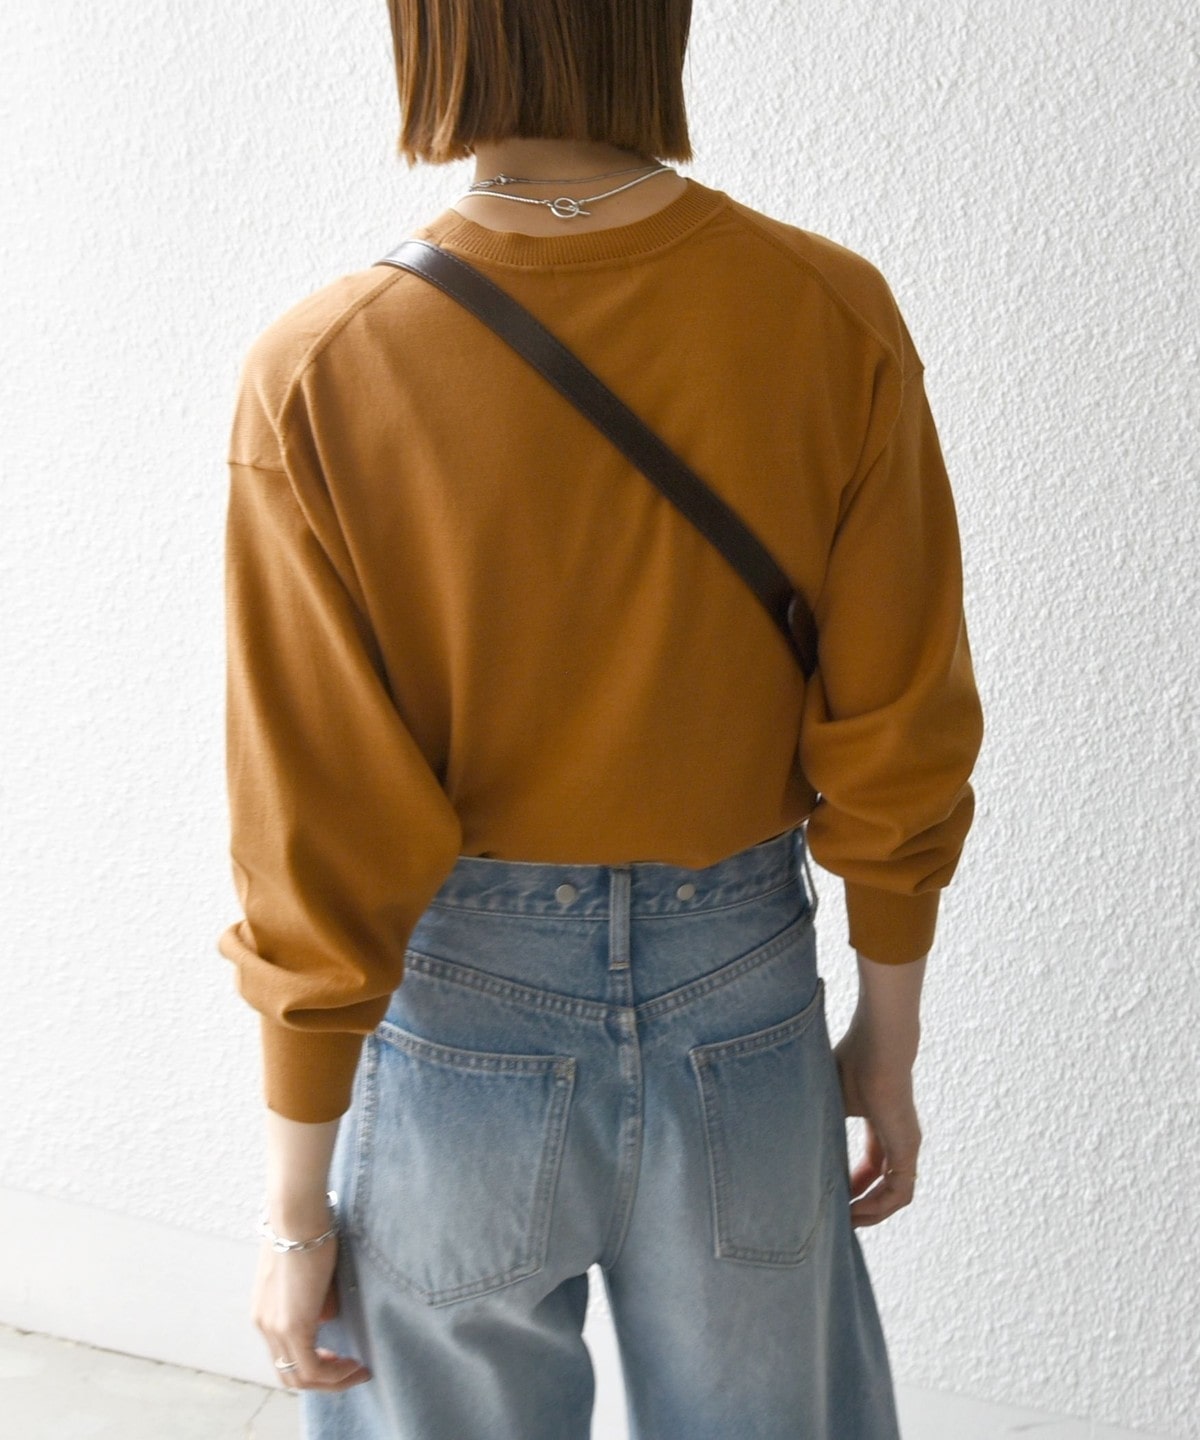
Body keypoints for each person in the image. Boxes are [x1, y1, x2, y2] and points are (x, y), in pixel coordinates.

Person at [216, 2, 984, 1436]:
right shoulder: (829, 313)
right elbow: (902, 727)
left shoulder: (321, 370)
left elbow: (312, 826)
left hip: (458, 1020)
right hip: (743, 994)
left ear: (431, 37)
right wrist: (889, 1038)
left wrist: (293, 1208)